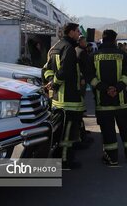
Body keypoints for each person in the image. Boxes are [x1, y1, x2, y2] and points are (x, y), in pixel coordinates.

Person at [88, 29, 127, 166]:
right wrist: (116, 88)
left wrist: (105, 89)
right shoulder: (123, 55)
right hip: (121, 102)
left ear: (103, 40)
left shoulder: (94, 56)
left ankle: (112, 158)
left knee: (108, 132)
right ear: (114, 40)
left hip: (102, 102)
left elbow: (90, 77)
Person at [43, 23, 85, 169]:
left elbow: (46, 69)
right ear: (71, 32)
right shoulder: (68, 48)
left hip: (57, 98)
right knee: (66, 132)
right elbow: (65, 71)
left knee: (60, 130)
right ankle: (64, 161)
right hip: (68, 97)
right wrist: (54, 83)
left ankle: (61, 157)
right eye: (77, 31)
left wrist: (50, 81)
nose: (79, 33)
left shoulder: (54, 47)